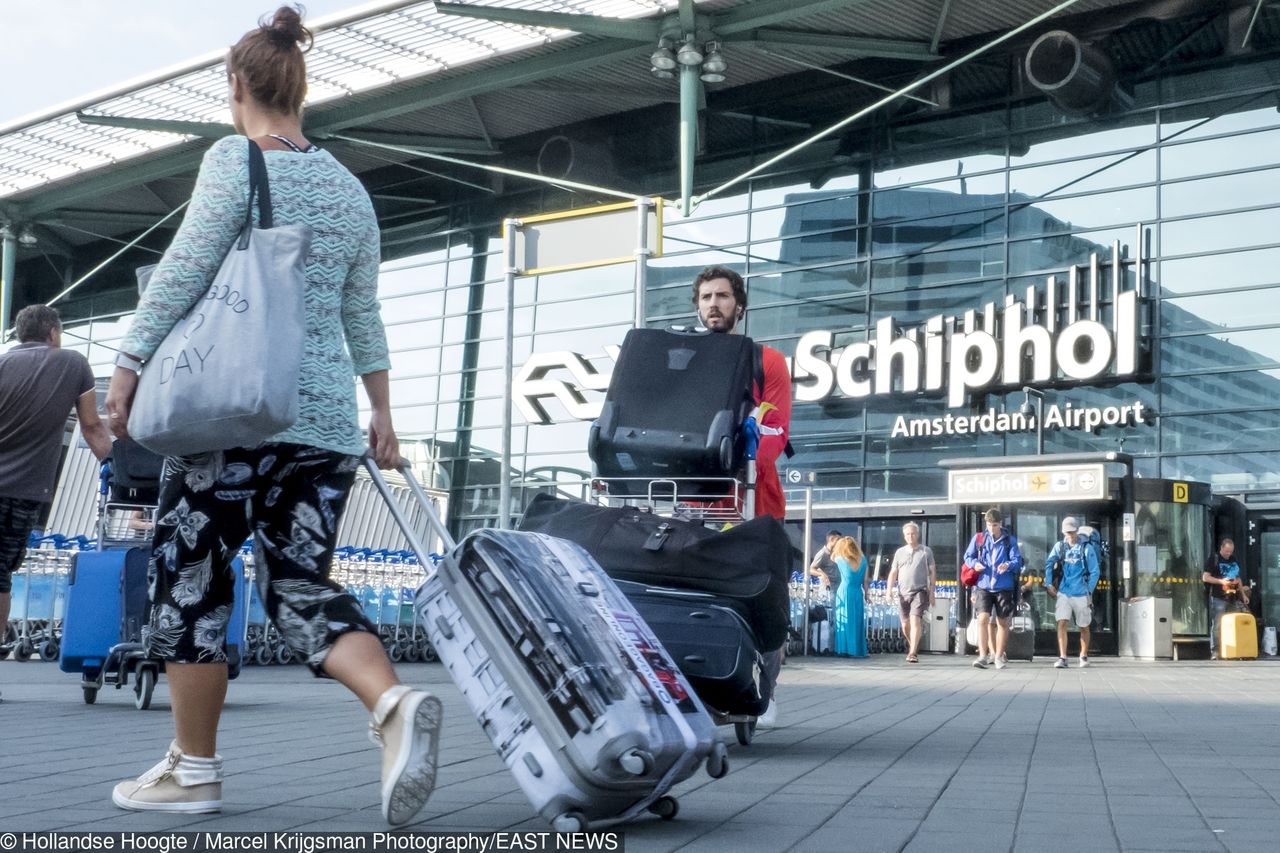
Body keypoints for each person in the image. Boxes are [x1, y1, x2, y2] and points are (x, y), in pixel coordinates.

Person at [102, 7, 441, 825]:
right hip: (324, 427)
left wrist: (127, 364)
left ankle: (194, 769)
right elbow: (364, 313)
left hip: (236, 412)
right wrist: (383, 411)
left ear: (239, 85)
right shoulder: (350, 189)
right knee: (299, 587)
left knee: (191, 589)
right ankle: (390, 701)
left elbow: (184, 267)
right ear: (300, 87)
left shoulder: (234, 159)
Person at [692, 265, 792, 725]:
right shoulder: (685, 360)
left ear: (740, 305)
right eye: (706, 297)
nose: (714, 303)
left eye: (723, 296)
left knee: (762, 594)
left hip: (754, 498)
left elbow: (774, 428)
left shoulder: (767, 361)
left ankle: (764, 691)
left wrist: (742, 463)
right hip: (693, 501)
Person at [0, 304, 113, 697]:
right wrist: (115, 468)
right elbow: (93, 426)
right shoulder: (72, 362)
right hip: (22, 491)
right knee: (0, 576)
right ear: (52, 333)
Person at [963, 508, 1023, 670]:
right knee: (982, 619)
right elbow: (968, 556)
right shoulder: (979, 539)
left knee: (1002, 622)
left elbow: (1018, 561)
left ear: (1000, 524)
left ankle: (999, 656)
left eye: (994, 525)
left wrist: (1008, 565)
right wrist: (974, 564)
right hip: (984, 585)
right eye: (989, 525)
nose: (991, 528)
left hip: (1003, 586)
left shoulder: (1009, 540)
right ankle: (983, 656)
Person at [1044, 516, 1099, 669]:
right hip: (1064, 591)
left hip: (1081, 592)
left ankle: (1083, 655)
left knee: (1084, 625)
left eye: (1072, 531)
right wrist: (1048, 583)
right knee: (1061, 622)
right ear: (1063, 532)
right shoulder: (1060, 546)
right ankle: (1063, 657)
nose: (1070, 535)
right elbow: (1049, 563)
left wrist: (1088, 590)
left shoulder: (1086, 548)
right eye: (1067, 532)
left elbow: (1095, 571)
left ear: (1077, 530)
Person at [886, 521, 936, 664]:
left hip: (919, 591)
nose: (910, 536)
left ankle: (912, 652)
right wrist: (889, 590)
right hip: (902, 593)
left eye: (913, 533)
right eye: (908, 534)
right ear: (904, 535)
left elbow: (933, 571)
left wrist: (932, 592)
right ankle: (913, 644)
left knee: (915, 619)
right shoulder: (899, 552)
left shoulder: (926, 551)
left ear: (918, 534)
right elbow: (893, 572)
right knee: (905, 624)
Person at [1203, 538, 1248, 660]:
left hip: (1232, 596)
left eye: (1231, 551)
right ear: (1221, 548)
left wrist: (1243, 594)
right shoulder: (1214, 559)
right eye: (1227, 551)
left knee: (1233, 624)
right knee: (1217, 624)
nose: (1228, 554)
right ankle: (1216, 651)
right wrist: (1220, 581)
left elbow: (1238, 578)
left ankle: (1233, 649)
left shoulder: (1233, 559)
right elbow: (1205, 577)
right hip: (1218, 596)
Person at [830, 536, 868, 657]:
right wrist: (867, 595)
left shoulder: (840, 559)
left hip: (845, 591)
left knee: (844, 619)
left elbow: (832, 556)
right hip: (857, 592)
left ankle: (845, 648)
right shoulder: (863, 560)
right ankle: (857, 649)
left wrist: (838, 545)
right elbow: (865, 581)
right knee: (857, 621)